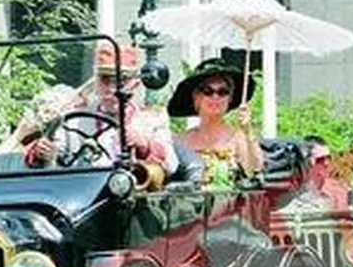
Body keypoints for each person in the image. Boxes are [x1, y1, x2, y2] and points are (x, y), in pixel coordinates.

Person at [19, 41, 178, 176]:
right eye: (105, 80)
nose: (111, 89)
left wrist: (143, 144)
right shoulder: (75, 119)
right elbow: (51, 162)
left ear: (134, 84)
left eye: (119, 81)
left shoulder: (151, 119)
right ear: (95, 81)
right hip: (84, 201)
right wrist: (46, 153)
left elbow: (172, 165)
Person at [168, 58, 265, 183]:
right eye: (208, 91)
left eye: (223, 92)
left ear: (230, 98)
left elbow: (254, 169)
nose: (215, 97)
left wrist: (247, 130)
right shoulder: (181, 141)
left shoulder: (239, 138)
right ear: (196, 97)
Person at [301, 135, 350, 209]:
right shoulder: (291, 193)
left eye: (328, 157)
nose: (326, 163)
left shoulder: (339, 189)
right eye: (320, 159)